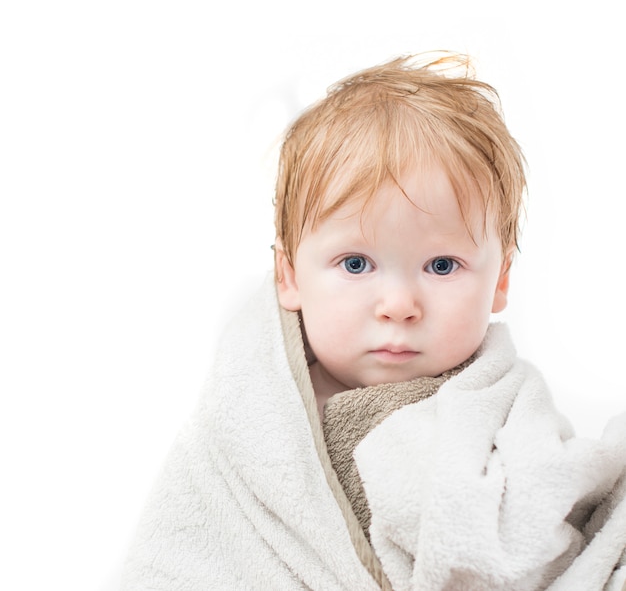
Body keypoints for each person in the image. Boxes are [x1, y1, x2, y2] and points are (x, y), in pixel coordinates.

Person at [121, 54, 626, 591]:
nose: (399, 304)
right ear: (289, 276)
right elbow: (177, 557)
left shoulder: (509, 413)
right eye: (356, 264)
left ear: (499, 282)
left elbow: (547, 537)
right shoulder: (242, 428)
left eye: (441, 266)